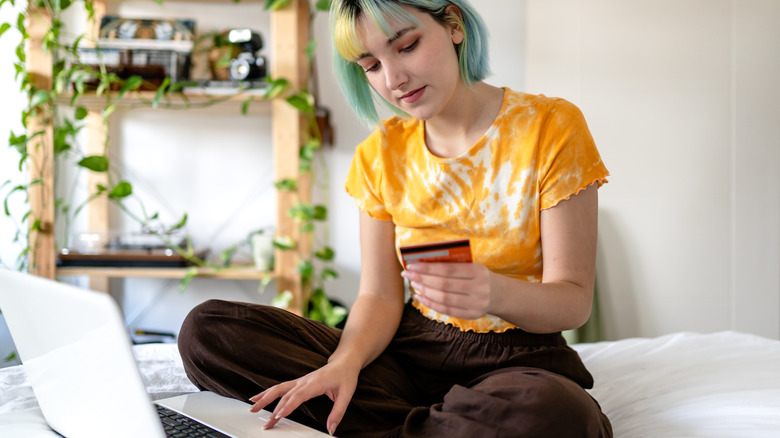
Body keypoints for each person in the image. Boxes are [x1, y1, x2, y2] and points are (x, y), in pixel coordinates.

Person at [178, 0, 613, 436]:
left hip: (518, 361)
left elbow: (573, 300)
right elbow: (380, 296)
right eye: (370, 66)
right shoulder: (380, 152)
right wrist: (343, 365)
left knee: (555, 413)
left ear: (454, 25)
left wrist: (494, 293)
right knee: (208, 332)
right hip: (408, 355)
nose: (393, 80)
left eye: (406, 46)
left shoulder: (551, 126)